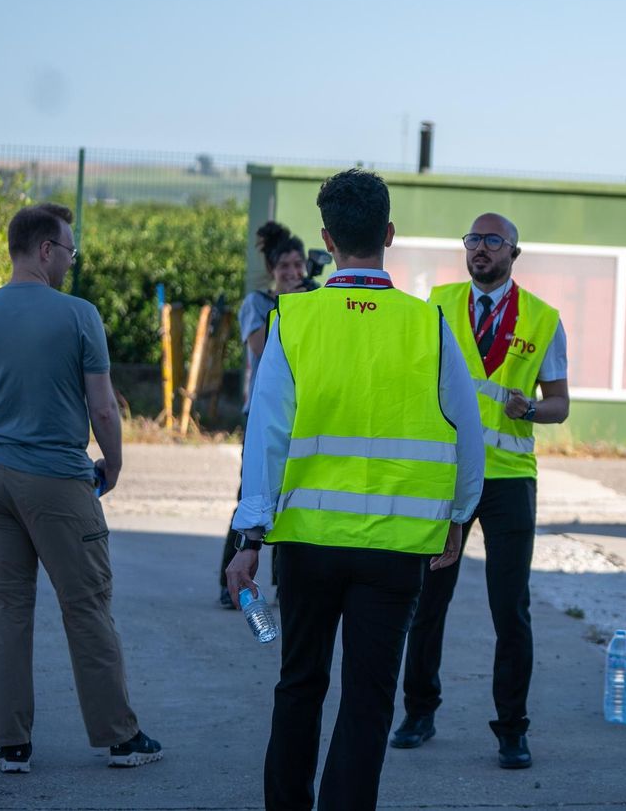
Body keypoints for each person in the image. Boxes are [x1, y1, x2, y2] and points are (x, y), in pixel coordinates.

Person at [225, 169, 486, 811]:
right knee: (369, 700)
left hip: (308, 544)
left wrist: (249, 538)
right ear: (388, 234)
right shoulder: (430, 325)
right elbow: (468, 435)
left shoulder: (296, 319)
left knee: (299, 685)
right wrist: (457, 518)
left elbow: (267, 438)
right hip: (398, 549)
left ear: (326, 239)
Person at [0, 203, 164, 774]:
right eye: (68, 249)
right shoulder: (79, 315)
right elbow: (105, 408)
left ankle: (9, 743)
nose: (70, 259)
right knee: (86, 605)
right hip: (59, 480)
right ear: (44, 250)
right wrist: (112, 466)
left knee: (5, 610)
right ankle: (118, 736)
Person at [390, 212, 569, 769]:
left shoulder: (543, 319)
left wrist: (532, 408)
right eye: (473, 240)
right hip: (447, 476)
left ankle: (512, 729)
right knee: (427, 601)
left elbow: (560, 403)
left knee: (509, 608)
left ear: (514, 252)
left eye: (493, 241)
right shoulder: (436, 305)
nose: (480, 249)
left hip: (510, 482)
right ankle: (419, 712)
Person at [216, 221, 307, 609]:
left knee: (296, 499)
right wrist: (289, 304)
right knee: (251, 497)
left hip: (303, 414)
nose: (292, 272)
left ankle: (287, 584)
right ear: (272, 269)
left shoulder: (311, 301)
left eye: (298, 265)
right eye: (284, 266)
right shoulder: (258, 304)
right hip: (261, 413)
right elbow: (260, 346)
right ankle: (231, 580)